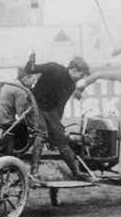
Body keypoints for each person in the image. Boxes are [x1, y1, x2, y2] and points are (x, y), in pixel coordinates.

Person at [24, 54, 92, 182]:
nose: (80, 79)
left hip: (49, 111)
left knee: (61, 140)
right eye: (80, 76)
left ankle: (76, 172)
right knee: (42, 133)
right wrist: (31, 61)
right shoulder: (53, 68)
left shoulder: (71, 86)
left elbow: (59, 108)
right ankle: (34, 171)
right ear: (74, 70)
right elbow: (30, 70)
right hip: (34, 104)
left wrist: (58, 128)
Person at [0, 68, 46, 174]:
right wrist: (34, 127)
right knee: (24, 131)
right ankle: (15, 155)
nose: (34, 83)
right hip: (3, 124)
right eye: (33, 80)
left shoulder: (9, 83)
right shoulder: (21, 91)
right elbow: (22, 115)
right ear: (26, 78)